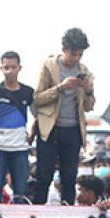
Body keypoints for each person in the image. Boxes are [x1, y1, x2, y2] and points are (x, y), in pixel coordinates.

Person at [31, 28, 96, 206]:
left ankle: (67, 214)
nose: (76, 58)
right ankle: (38, 215)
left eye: (80, 55)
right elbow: (37, 98)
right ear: (64, 49)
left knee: (69, 177)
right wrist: (61, 87)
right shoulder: (49, 66)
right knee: (44, 175)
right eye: (73, 54)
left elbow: (89, 107)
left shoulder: (84, 71)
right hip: (49, 129)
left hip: (73, 130)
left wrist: (88, 89)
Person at [0, 51, 34, 201]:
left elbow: (40, 115)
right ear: (1, 69)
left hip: (20, 149)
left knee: (21, 191)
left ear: (20, 68)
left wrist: (32, 135)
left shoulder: (28, 92)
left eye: (13, 67)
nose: (10, 71)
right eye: (6, 67)